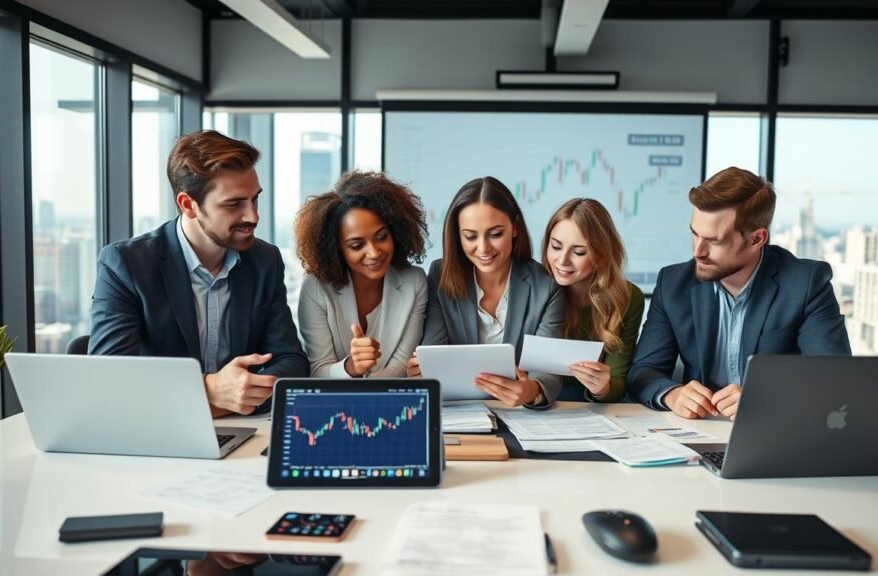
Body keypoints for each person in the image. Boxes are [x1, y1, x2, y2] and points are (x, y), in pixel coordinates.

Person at [89, 130, 308, 417]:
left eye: (254, 199)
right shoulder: (125, 264)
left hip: (241, 428)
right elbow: (108, 377)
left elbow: (291, 360)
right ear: (188, 205)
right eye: (234, 204)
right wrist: (207, 390)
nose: (253, 216)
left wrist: (238, 396)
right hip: (158, 429)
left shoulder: (264, 260)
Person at [627, 166, 851, 419]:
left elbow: (833, 378)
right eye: (695, 234)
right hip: (697, 430)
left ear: (757, 239)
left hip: (773, 431)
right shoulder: (673, 284)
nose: (697, 251)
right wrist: (672, 394)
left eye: (714, 241)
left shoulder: (806, 284)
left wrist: (765, 399)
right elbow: (643, 370)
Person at [408, 177, 564, 408]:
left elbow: (547, 370)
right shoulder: (440, 275)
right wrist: (421, 369)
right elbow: (434, 350)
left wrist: (531, 390)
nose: (483, 248)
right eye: (470, 236)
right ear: (457, 235)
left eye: (495, 234)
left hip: (519, 414)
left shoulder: (546, 285)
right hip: (459, 411)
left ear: (515, 227)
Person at [294, 171, 428, 378]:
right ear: (336, 248)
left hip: (390, 401)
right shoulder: (315, 288)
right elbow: (318, 370)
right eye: (357, 245)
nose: (374, 253)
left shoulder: (414, 282)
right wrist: (351, 367)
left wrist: (366, 396)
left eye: (381, 237)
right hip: (337, 405)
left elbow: (401, 365)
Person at [541, 198, 644, 402]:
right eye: (556, 247)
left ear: (602, 255)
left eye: (578, 252)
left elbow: (618, 383)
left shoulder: (628, 297)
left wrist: (603, 387)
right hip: (540, 399)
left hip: (594, 406)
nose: (562, 261)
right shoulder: (536, 287)